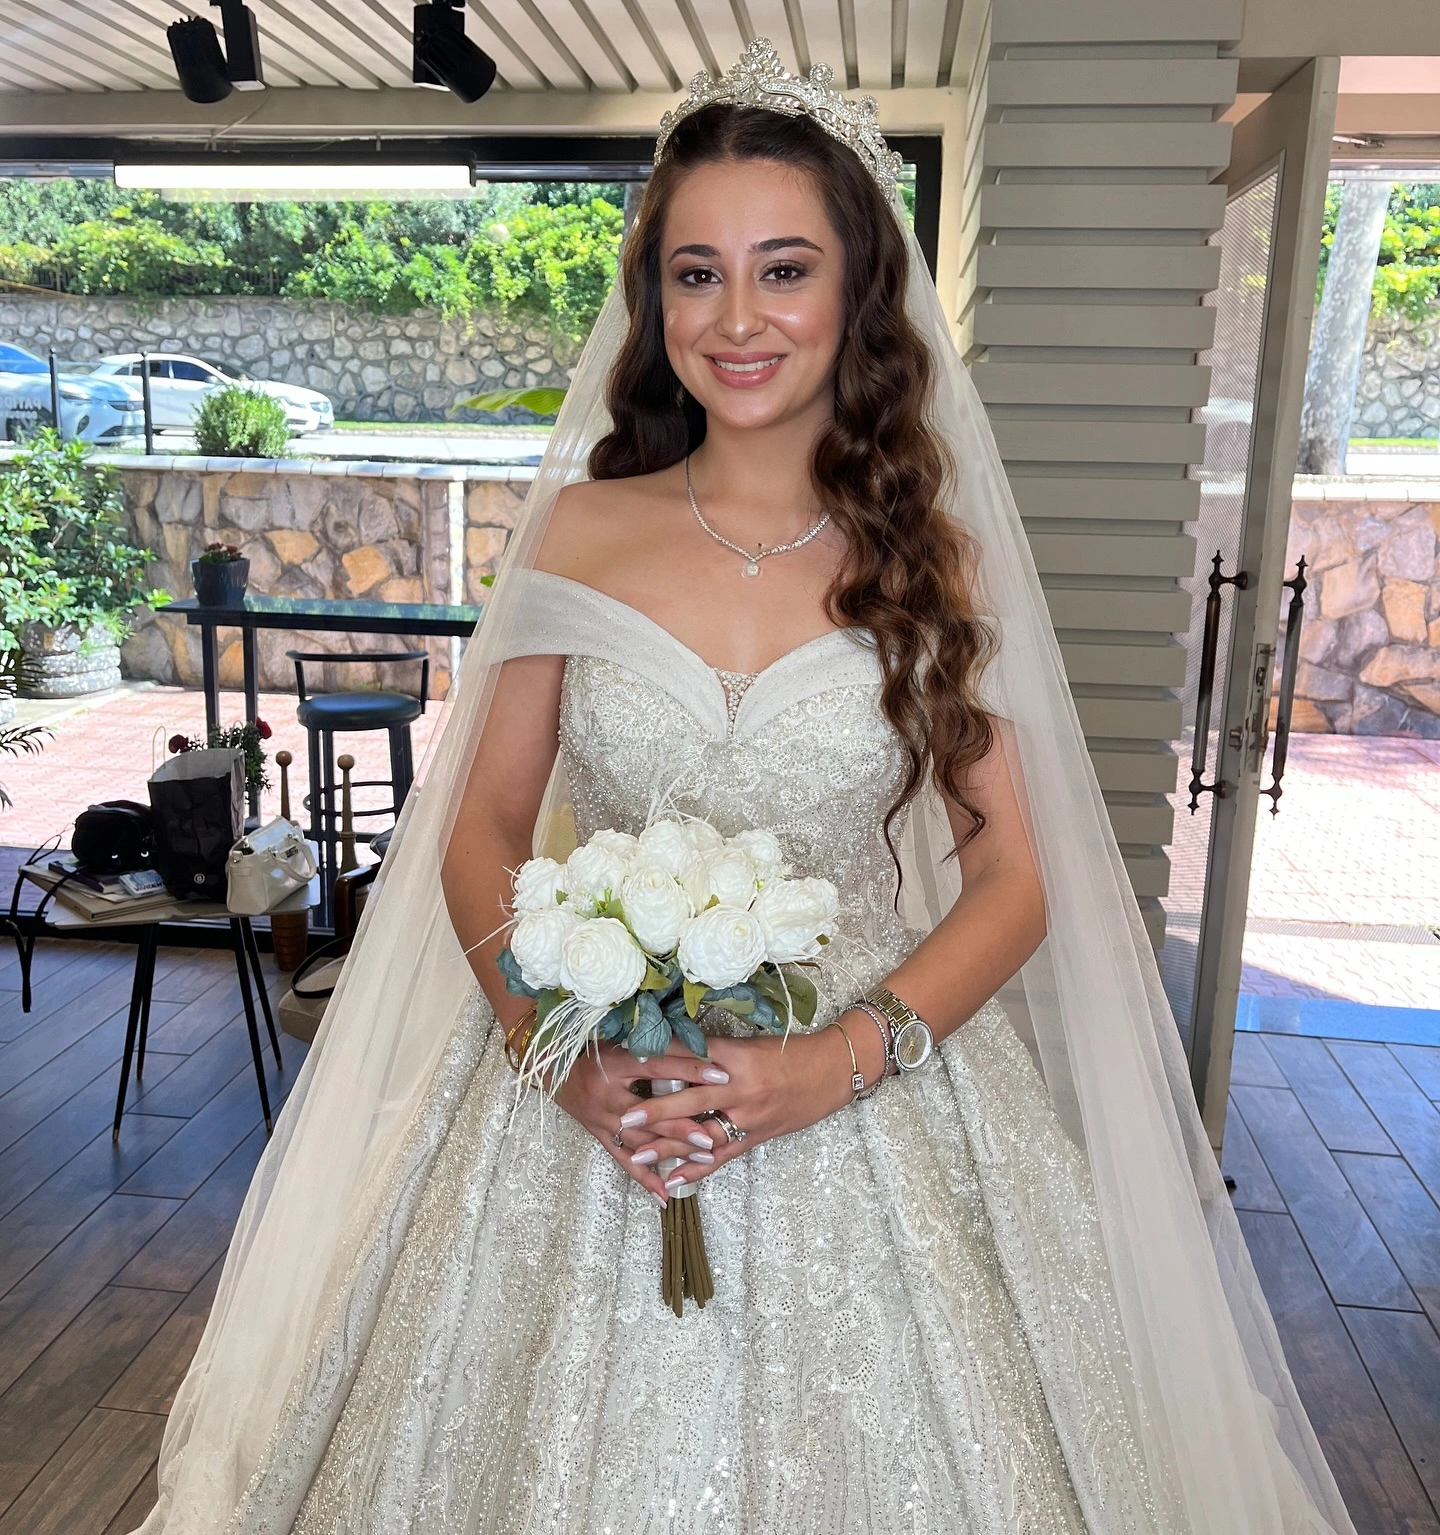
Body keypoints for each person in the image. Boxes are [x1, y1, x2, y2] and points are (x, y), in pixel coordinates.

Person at [133, 43, 1356, 1535]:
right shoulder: (577, 528)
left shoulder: (933, 557)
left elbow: (1016, 877)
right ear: (653, 301)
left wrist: (834, 1061)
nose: (737, 318)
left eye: (785, 269)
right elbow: (481, 831)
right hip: (586, 1071)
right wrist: (550, 1048)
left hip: (860, 1085)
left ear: (859, 290)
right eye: (696, 274)